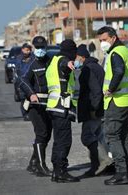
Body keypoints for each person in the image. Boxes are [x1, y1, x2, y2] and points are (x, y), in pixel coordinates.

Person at [97, 27, 128, 185]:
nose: (102, 43)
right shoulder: (126, 51)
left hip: (116, 101)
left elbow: (119, 71)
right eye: (100, 40)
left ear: (113, 38)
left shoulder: (115, 54)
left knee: (112, 136)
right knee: (124, 136)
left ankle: (121, 172)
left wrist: (111, 89)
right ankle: (127, 171)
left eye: (104, 39)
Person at [74, 44, 112, 178]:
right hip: (100, 108)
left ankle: (104, 161)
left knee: (87, 137)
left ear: (82, 57)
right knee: (99, 137)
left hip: (93, 110)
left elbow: (95, 91)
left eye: (76, 58)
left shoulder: (87, 69)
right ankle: (97, 166)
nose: (74, 61)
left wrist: (93, 109)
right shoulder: (96, 66)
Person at [17, 36, 53, 177]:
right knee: (41, 133)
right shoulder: (30, 63)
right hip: (34, 105)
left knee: (47, 134)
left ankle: (33, 162)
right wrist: (31, 94)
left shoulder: (50, 61)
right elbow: (22, 79)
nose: (40, 50)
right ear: (33, 48)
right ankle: (41, 166)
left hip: (49, 104)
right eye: (37, 48)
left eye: (42, 47)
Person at [45, 39, 80, 183]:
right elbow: (65, 64)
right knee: (64, 141)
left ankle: (57, 171)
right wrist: (69, 63)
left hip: (54, 106)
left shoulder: (52, 61)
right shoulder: (62, 61)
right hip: (61, 108)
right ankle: (61, 172)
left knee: (58, 140)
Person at [14, 43, 35, 120]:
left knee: (31, 98)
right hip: (21, 81)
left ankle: (31, 114)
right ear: (22, 50)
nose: (27, 52)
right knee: (23, 99)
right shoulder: (19, 58)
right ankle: (25, 114)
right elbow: (18, 70)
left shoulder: (33, 58)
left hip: (31, 81)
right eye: (26, 50)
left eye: (29, 50)